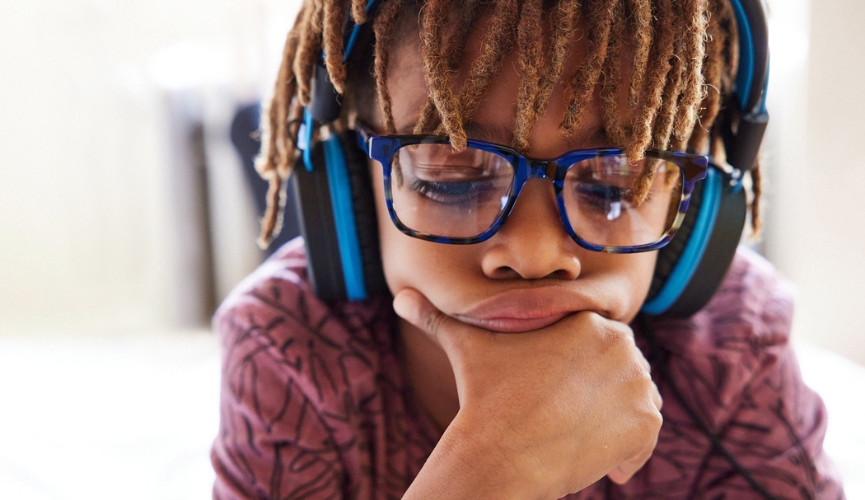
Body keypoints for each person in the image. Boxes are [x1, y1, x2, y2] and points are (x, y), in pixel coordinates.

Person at [211, 0, 846, 498]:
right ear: (349, 181)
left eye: (614, 186)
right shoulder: (286, 347)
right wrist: (483, 474)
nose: (538, 255)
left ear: (698, 211)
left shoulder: (736, 340)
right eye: (450, 177)